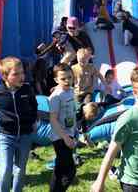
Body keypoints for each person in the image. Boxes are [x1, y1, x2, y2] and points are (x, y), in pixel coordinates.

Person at [0, 57, 38, 192]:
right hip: (6, 137)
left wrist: (34, 121)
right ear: (5, 76)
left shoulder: (27, 89)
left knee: (20, 170)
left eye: (22, 73)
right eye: (16, 74)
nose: (21, 77)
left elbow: (34, 105)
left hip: (25, 136)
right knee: (6, 169)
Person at [48, 63, 77, 192]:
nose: (67, 81)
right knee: (70, 169)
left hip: (69, 133)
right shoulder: (55, 97)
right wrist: (65, 138)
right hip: (59, 136)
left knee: (60, 168)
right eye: (63, 79)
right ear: (56, 80)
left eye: (69, 77)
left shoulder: (71, 91)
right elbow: (53, 120)